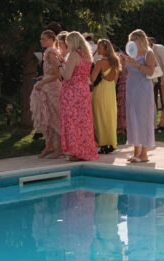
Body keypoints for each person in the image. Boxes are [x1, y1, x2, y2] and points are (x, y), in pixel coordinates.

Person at [58, 31, 98, 162]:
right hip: (83, 90)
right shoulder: (87, 55)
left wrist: (60, 66)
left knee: (72, 121)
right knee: (83, 121)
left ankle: (75, 152)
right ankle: (84, 150)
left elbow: (67, 75)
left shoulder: (74, 55)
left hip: (72, 92)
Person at [120, 29, 157, 163]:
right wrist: (123, 64)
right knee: (132, 119)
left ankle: (144, 153)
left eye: (133, 40)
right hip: (131, 88)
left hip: (143, 90)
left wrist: (135, 63)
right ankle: (136, 152)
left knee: (143, 119)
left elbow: (151, 71)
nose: (130, 43)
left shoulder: (148, 53)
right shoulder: (130, 53)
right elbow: (125, 74)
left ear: (139, 40)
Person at [31, 30, 63, 158]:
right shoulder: (48, 52)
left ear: (51, 39)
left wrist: (43, 81)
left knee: (55, 117)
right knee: (47, 117)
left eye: (43, 39)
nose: (41, 41)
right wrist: (42, 78)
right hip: (46, 87)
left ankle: (59, 148)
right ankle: (49, 145)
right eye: (41, 39)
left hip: (52, 89)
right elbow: (50, 73)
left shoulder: (52, 53)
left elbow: (57, 74)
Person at [90, 38, 120, 154]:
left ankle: (103, 144)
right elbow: (115, 80)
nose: (97, 50)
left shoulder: (100, 62)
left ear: (105, 49)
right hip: (110, 91)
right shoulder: (116, 61)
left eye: (99, 47)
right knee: (110, 118)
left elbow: (92, 78)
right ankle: (111, 143)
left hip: (100, 91)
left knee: (100, 118)